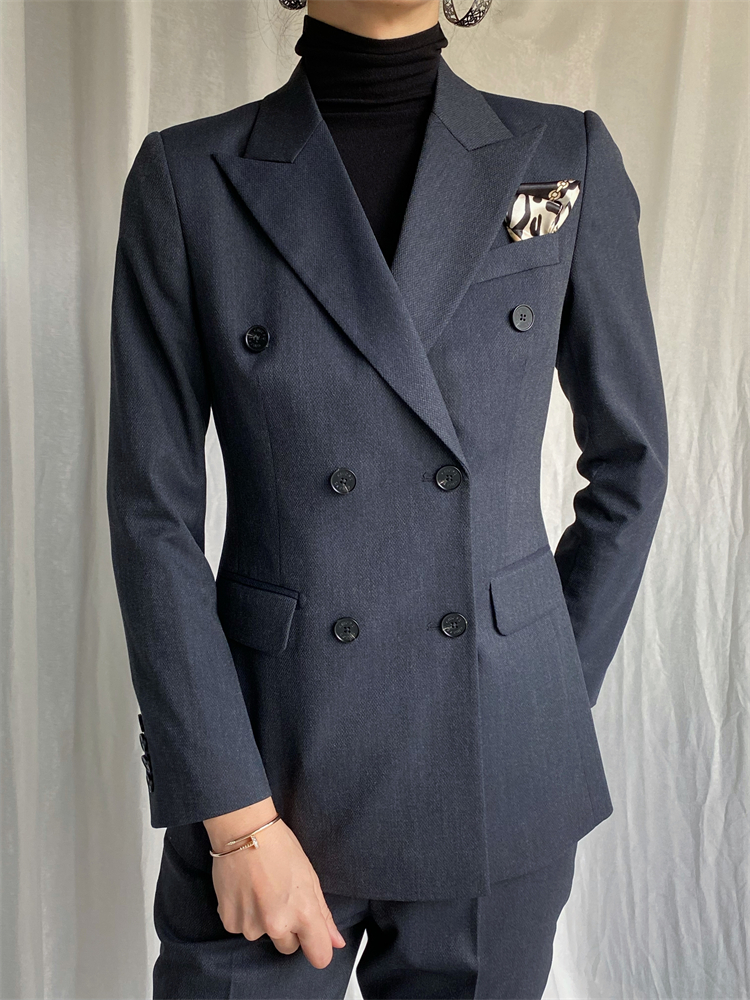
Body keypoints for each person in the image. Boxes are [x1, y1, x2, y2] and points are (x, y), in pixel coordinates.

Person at [106, 0, 669, 997]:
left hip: (496, 774)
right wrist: (236, 821)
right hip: (269, 771)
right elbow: (153, 515)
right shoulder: (189, 177)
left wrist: (531, 697)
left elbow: (631, 465)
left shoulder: (561, 154)